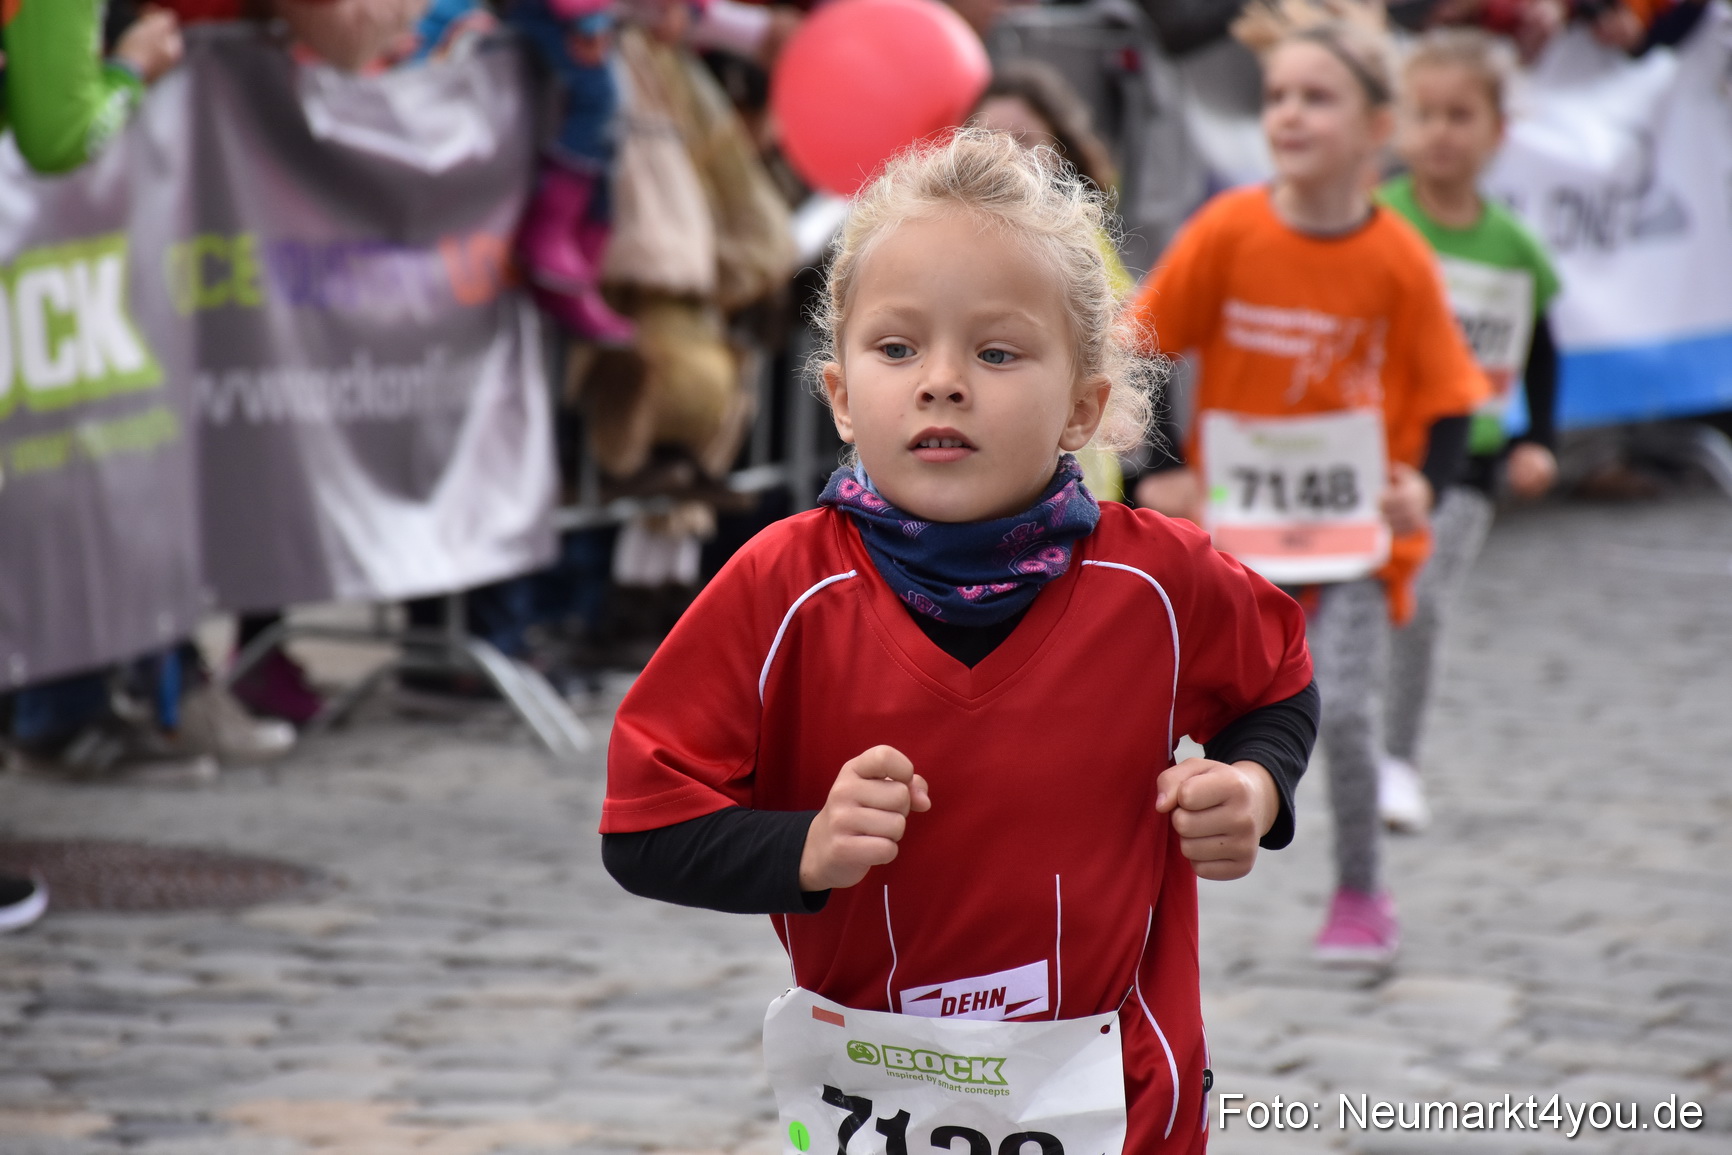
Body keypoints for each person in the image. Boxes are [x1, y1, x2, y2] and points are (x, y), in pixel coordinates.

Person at [602, 129, 1318, 1153]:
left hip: (1127, 1095)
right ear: (842, 397)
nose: (941, 382)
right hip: (885, 1097)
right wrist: (800, 847)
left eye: (996, 351)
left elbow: (1279, 685)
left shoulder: (1159, 581)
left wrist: (1255, 788)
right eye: (896, 349)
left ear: (1082, 405)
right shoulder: (778, 591)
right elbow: (641, 830)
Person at [1128, 0, 1487, 964]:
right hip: (1234, 540)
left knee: (1353, 707)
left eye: (1316, 98)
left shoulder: (1397, 256)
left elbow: (1454, 396)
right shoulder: (1228, 230)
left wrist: (1423, 486)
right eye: (1277, 95)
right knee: (1153, 706)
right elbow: (1140, 348)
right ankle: (1125, 896)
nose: (1288, 114)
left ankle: (1362, 894)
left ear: (1377, 127)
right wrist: (1158, 474)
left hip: (1353, 541)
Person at [1374, 28, 1560, 832]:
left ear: (1497, 131)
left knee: (1421, 602)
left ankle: (1399, 760)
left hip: (1470, 463)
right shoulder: (1378, 219)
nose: (1442, 131)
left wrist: (1538, 439)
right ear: (1397, 125)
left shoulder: (1513, 245)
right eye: (1426, 113)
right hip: (1374, 458)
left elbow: (1541, 346)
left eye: (1462, 114)